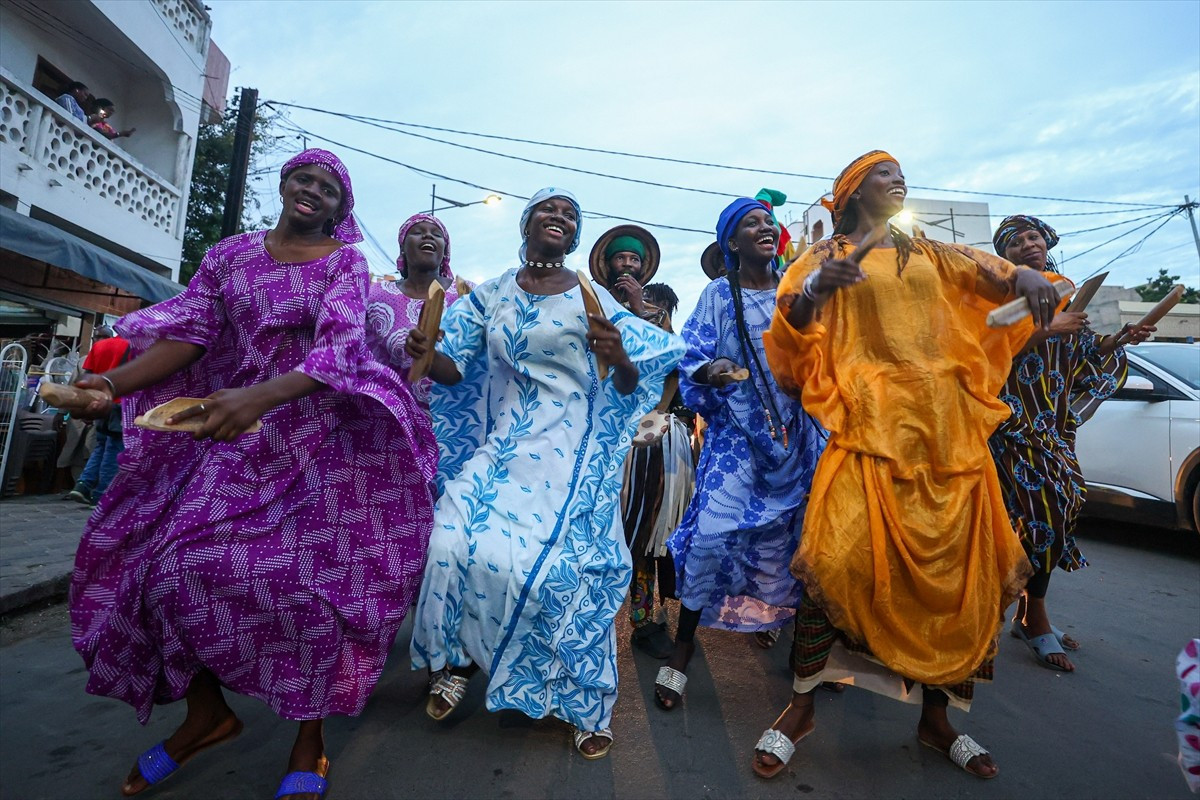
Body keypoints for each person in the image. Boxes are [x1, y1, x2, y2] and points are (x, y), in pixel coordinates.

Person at [69, 148, 437, 800]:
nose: (313, 190)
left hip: (322, 437)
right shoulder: (230, 254)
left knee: (312, 591)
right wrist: (109, 384)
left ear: (339, 208)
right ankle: (208, 715)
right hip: (233, 437)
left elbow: (337, 347)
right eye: (304, 178)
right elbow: (193, 334)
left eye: (328, 187)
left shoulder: (344, 262)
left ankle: (309, 738)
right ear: (285, 183)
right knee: (162, 571)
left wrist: (259, 399)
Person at [757, 151, 1059, 780]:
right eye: (882, 172)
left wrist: (1025, 283)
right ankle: (801, 706)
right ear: (851, 191)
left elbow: (1001, 290)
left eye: (901, 173)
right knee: (834, 564)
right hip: (869, 432)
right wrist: (815, 291)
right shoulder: (821, 258)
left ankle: (937, 721)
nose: (898, 179)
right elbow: (790, 339)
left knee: (966, 584)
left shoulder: (938, 253)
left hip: (950, 436)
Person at [406, 188, 684, 759]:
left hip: (573, 453)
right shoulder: (492, 294)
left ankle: (584, 702)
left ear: (576, 237)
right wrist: (423, 349)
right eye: (548, 210)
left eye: (570, 216)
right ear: (527, 223)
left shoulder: (592, 298)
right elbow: (453, 370)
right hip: (505, 447)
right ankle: (461, 660)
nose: (558, 218)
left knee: (564, 573)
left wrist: (622, 357)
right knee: (451, 542)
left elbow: (635, 383)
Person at [654, 198, 825, 711]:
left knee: (809, 538)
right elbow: (693, 359)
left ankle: (813, 658)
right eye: (750, 224)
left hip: (801, 433)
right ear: (731, 242)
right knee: (709, 535)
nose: (764, 228)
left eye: (767, 221)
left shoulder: (796, 288)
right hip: (736, 435)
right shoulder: (716, 294)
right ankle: (683, 649)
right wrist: (713, 371)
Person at [988, 215, 1153, 672]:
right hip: (1012, 427)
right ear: (1005, 255)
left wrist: (1119, 339)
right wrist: (1042, 331)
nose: (1028, 245)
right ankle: (1032, 618)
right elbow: (980, 350)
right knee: (1042, 514)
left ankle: (1026, 611)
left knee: (1064, 506)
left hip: (1054, 428)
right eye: (1016, 242)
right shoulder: (1002, 299)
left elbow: (1080, 358)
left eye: (1034, 237)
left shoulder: (1065, 291)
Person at [588, 226, 695, 658]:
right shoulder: (590, 307)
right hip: (599, 434)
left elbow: (672, 363)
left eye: (634, 261)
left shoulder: (655, 314)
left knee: (648, 532)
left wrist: (637, 308)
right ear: (608, 265)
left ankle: (647, 619)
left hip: (648, 439)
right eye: (621, 260)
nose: (627, 265)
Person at [366, 213, 470, 411]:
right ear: (402, 248)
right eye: (417, 232)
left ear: (445, 251)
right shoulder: (375, 295)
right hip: (390, 418)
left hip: (452, 420)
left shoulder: (466, 295)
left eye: (436, 234)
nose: (428, 236)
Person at [66, 325, 130, 506]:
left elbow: (87, 378)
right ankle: (102, 495)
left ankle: (83, 484)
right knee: (113, 449)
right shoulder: (135, 347)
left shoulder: (100, 347)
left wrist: (86, 407)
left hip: (100, 403)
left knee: (100, 446)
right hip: (121, 405)